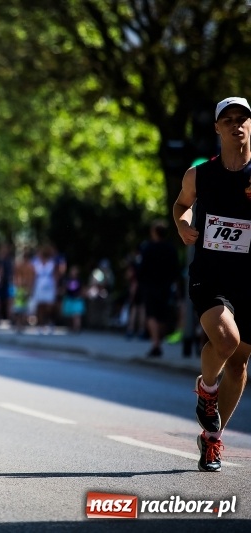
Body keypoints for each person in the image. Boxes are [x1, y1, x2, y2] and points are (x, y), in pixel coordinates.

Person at [172, 96, 251, 473]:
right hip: (210, 273)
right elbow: (181, 204)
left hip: (249, 278)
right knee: (227, 340)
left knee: (237, 365)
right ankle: (206, 389)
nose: (237, 125)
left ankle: (213, 440)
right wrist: (183, 224)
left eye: (243, 119)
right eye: (229, 120)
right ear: (217, 128)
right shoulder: (199, 174)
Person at [137, 220, 180, 357]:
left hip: (150, 286)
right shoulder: (171, 249)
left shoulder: (148, 248)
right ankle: (159, 341)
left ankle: (156, 343)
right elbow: (176, 269)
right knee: (162, 315)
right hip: (165, 286)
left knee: (151, 315)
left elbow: (141, 268)